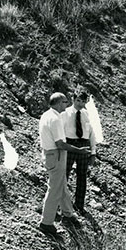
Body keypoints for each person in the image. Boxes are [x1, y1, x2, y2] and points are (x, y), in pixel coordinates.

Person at [38, 93, 90, 234]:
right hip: (56, 155)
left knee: (62, 185)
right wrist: (79, 150)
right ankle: (46, 222)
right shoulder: (55, 119)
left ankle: (68, 214)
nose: (67, 105)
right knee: (55, 189)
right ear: (59, 103)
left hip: (50, 154)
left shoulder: (46, 115)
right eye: (65, 102)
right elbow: (60, 144)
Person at [63, 91, 97, 213]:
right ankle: (61, 204)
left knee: (82, 176)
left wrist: (93, 152)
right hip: (70, 145)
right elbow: (60, 132)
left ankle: (79, 205)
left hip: (84, 145)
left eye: (83, 101)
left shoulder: (86, 114)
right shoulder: (65, 113)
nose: (80, 104)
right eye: (78, 100)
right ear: (73, 99)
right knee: (64, 174)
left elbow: (92, 134)